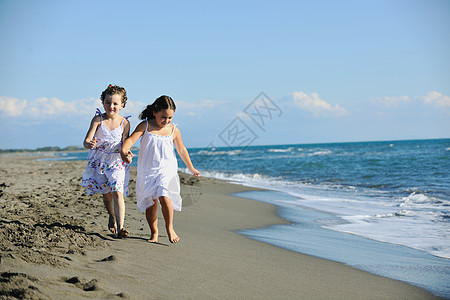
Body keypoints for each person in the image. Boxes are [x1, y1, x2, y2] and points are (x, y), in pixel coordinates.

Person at [121, 95, 200, 244]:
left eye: (170, 118)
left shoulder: (174, 130)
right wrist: (124, 151)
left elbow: (182, 150)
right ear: (155, 112)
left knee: (165, 195)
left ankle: (169, 228)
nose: (166, 121)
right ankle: (154, 232)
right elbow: (131, 140)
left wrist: (191, 168)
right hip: (147, 170)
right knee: (151, 205)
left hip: (167, 169)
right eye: (163, 117)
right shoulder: (145, 126)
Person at [81, 84, 131, 239]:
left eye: (115, 103)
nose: (111, 106)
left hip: (116, 162)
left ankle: (121, 227)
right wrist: (89, 143)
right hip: (99, 163)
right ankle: (111, 215)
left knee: (118, 192)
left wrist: (127, 155)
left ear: (122, 105)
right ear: (103, 103)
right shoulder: (98, 119)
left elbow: (125, 144)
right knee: (107, 195)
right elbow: (86, 140)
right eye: (108, 102)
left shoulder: (125, 123)